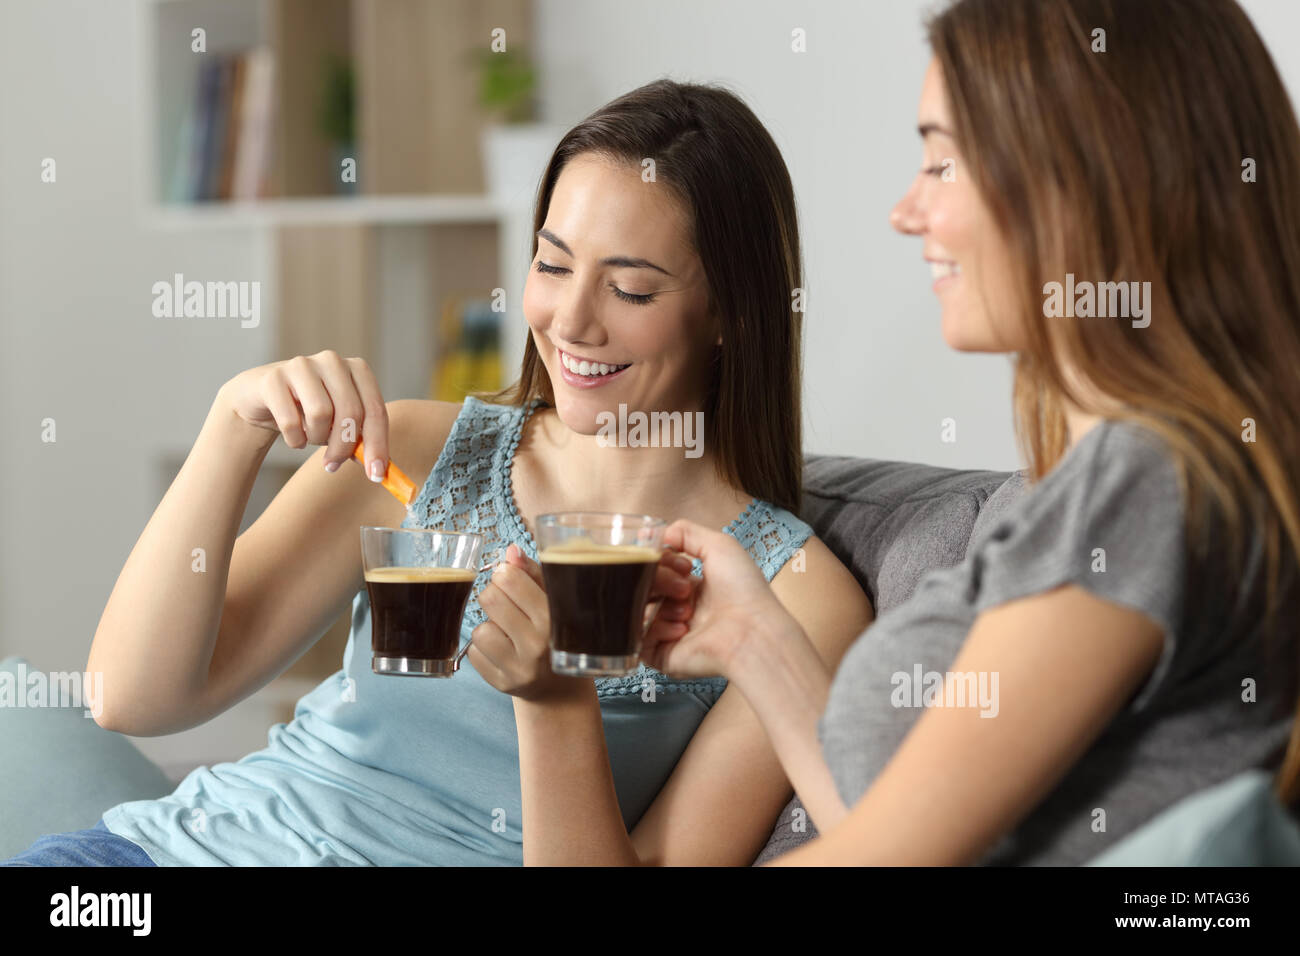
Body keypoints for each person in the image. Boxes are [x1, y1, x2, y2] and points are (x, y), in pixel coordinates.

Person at [1, 80, 872, 866]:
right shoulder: (412, 450)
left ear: (735, 315)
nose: (569, 321)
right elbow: (130, 698)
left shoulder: (792, 597)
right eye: (552, 263)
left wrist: (552, 698)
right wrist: (233, 430)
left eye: (631, 290)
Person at [645, 0, 1300, 865]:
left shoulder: (1145, 476)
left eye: (943, 163)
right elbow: (895, 824)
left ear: (1089, 178)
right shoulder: (1137, 473)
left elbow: (895, 859)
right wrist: (753, 639)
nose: (906, 211)